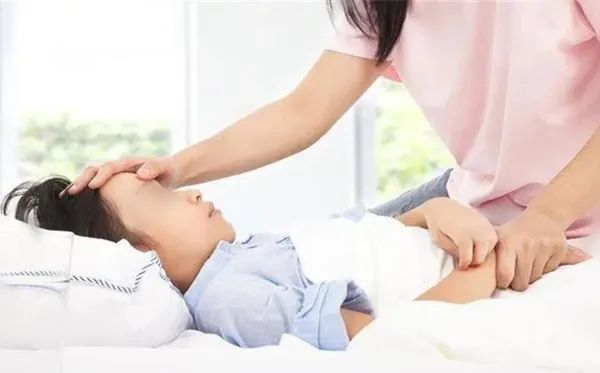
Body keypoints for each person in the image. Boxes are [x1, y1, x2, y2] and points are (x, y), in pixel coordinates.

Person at [67, 1, 599, 291]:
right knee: (307, 256)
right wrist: (174, 168)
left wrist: (546, 217)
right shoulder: (381, 6)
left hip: (572, 206)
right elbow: (304, 111)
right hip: (477, 196)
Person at [7, 173, 587, 350]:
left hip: (493, 259)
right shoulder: (234, 300)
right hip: (492, 283)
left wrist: (436, 212)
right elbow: (385, 337)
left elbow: (370, 236)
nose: (191, 192)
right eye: (161, 198)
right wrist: (491, 266)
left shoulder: (245, 253)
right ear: (137, 253)